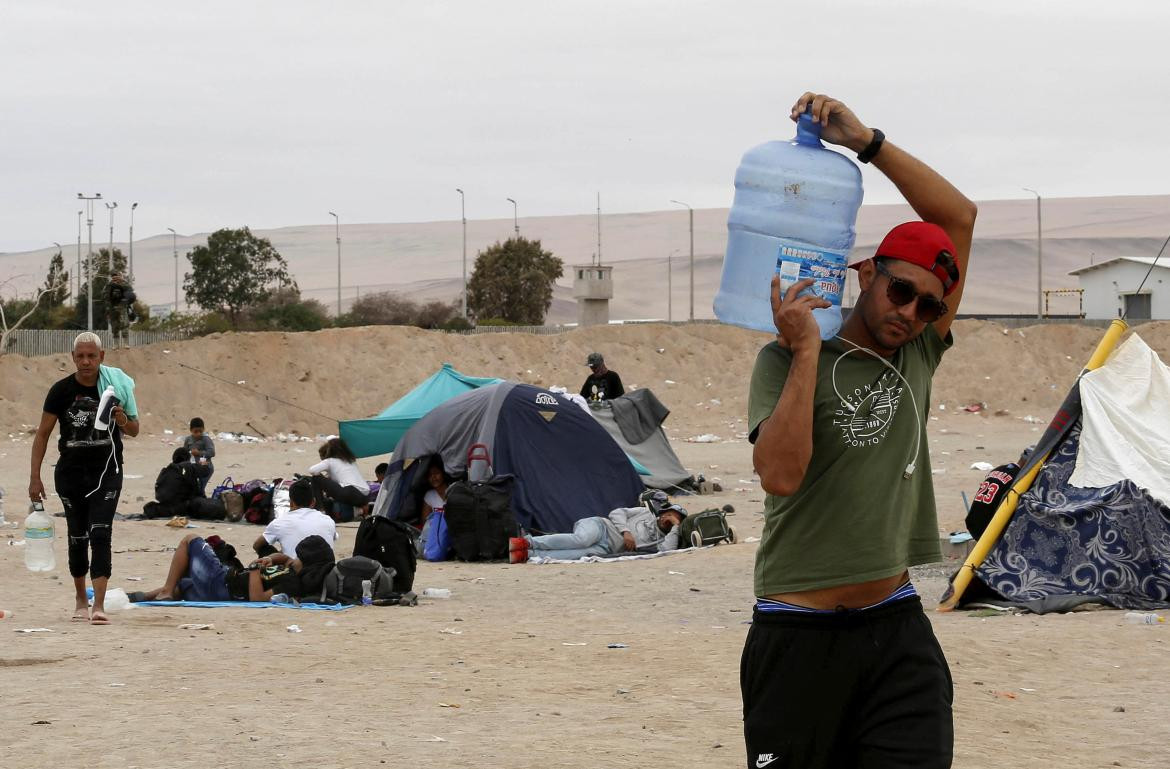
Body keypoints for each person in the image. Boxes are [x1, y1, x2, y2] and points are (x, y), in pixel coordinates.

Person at [743, 92, 976, 769]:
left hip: (896, 630)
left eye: (929, 305)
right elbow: (780, 474)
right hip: (797, 636)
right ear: (867, 273)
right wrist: (809, 352)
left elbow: (959, 216)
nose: (911, 313)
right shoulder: (781, 359)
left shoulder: (920, 353)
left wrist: (867, 142)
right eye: (900, 291)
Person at [29, 331, 140, 625]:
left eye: (92, 356)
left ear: (101, 357)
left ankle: (99, 605)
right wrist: (34, 478)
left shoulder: (114, 389)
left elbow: (135, 430)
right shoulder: (61, 391)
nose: (86, 361)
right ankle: (81, 599)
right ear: (73, 358)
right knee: (77, 537)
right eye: (81, 356)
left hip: (107, 473)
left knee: (101, 533)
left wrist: (123, 419)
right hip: (70, 475)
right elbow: (42, 435)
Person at [131, 533, 304, 602]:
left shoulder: (292, 582)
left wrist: (254, 570)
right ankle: (141, 597)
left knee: (190, 540)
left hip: (223, 584)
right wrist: (269, 558)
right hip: (219, 590)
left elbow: (258, 598)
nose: (294, 557)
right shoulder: (292, 568)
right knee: (183, 584)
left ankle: (166, 592)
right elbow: (286, 558)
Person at [510, 497, 685, 563]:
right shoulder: (644, 513)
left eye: (672, 517)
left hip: (607, 548)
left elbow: (666, 551)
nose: (666, 518)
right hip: (600, 527)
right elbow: (616, 512)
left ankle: (527, 554)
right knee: (581, 540)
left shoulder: (663, 540)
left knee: (578, 554)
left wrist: (676, 527)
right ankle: (527, 541)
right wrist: (626, 532)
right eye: (666, 513)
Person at [253, 477, 337, 559]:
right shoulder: (328, 520)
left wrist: (278, 556)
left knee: (265, 549)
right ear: (313, 502)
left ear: (291, 503)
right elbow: (332, 538)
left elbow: (257, 545)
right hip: (326, 569)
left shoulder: (280, 522)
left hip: (297, 570)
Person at [307, 437, 370, 521]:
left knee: (316, 478)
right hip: (365, 496)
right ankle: (358, 511)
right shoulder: (351, 460)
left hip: (350, 492)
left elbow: (312, 470)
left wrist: (322, 473)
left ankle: (321, 511)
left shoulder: (330, 461)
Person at [144, 447, 214, 519]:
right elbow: (205, 471)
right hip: (181, 504)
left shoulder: (166, 470)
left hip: (165, 504)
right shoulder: (187, 466)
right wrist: (203, 463)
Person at [182, 417, 215, 496]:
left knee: (200, 489)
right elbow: (183, 453)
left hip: (206, 468)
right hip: (193, 468)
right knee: (194, 488)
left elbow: (212, 452)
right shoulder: (188, 440)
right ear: (191, 431)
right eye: (196, 431)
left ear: (203, 429)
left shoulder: (206, 439)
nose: (198, 433)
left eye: (200, 431)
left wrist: (199, 453)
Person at [104, 274, 135, 349]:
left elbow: (130, 292)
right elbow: (105, 296)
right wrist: (108, 308)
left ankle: (126, 344)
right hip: (112, 308)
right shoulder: (109, 286)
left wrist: (122, 281)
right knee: (114, 326)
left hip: (122, 307)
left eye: (117, 277)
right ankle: (116, 345)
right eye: (114, 278)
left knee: (124, 324)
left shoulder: (124, 285)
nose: (116, 279)